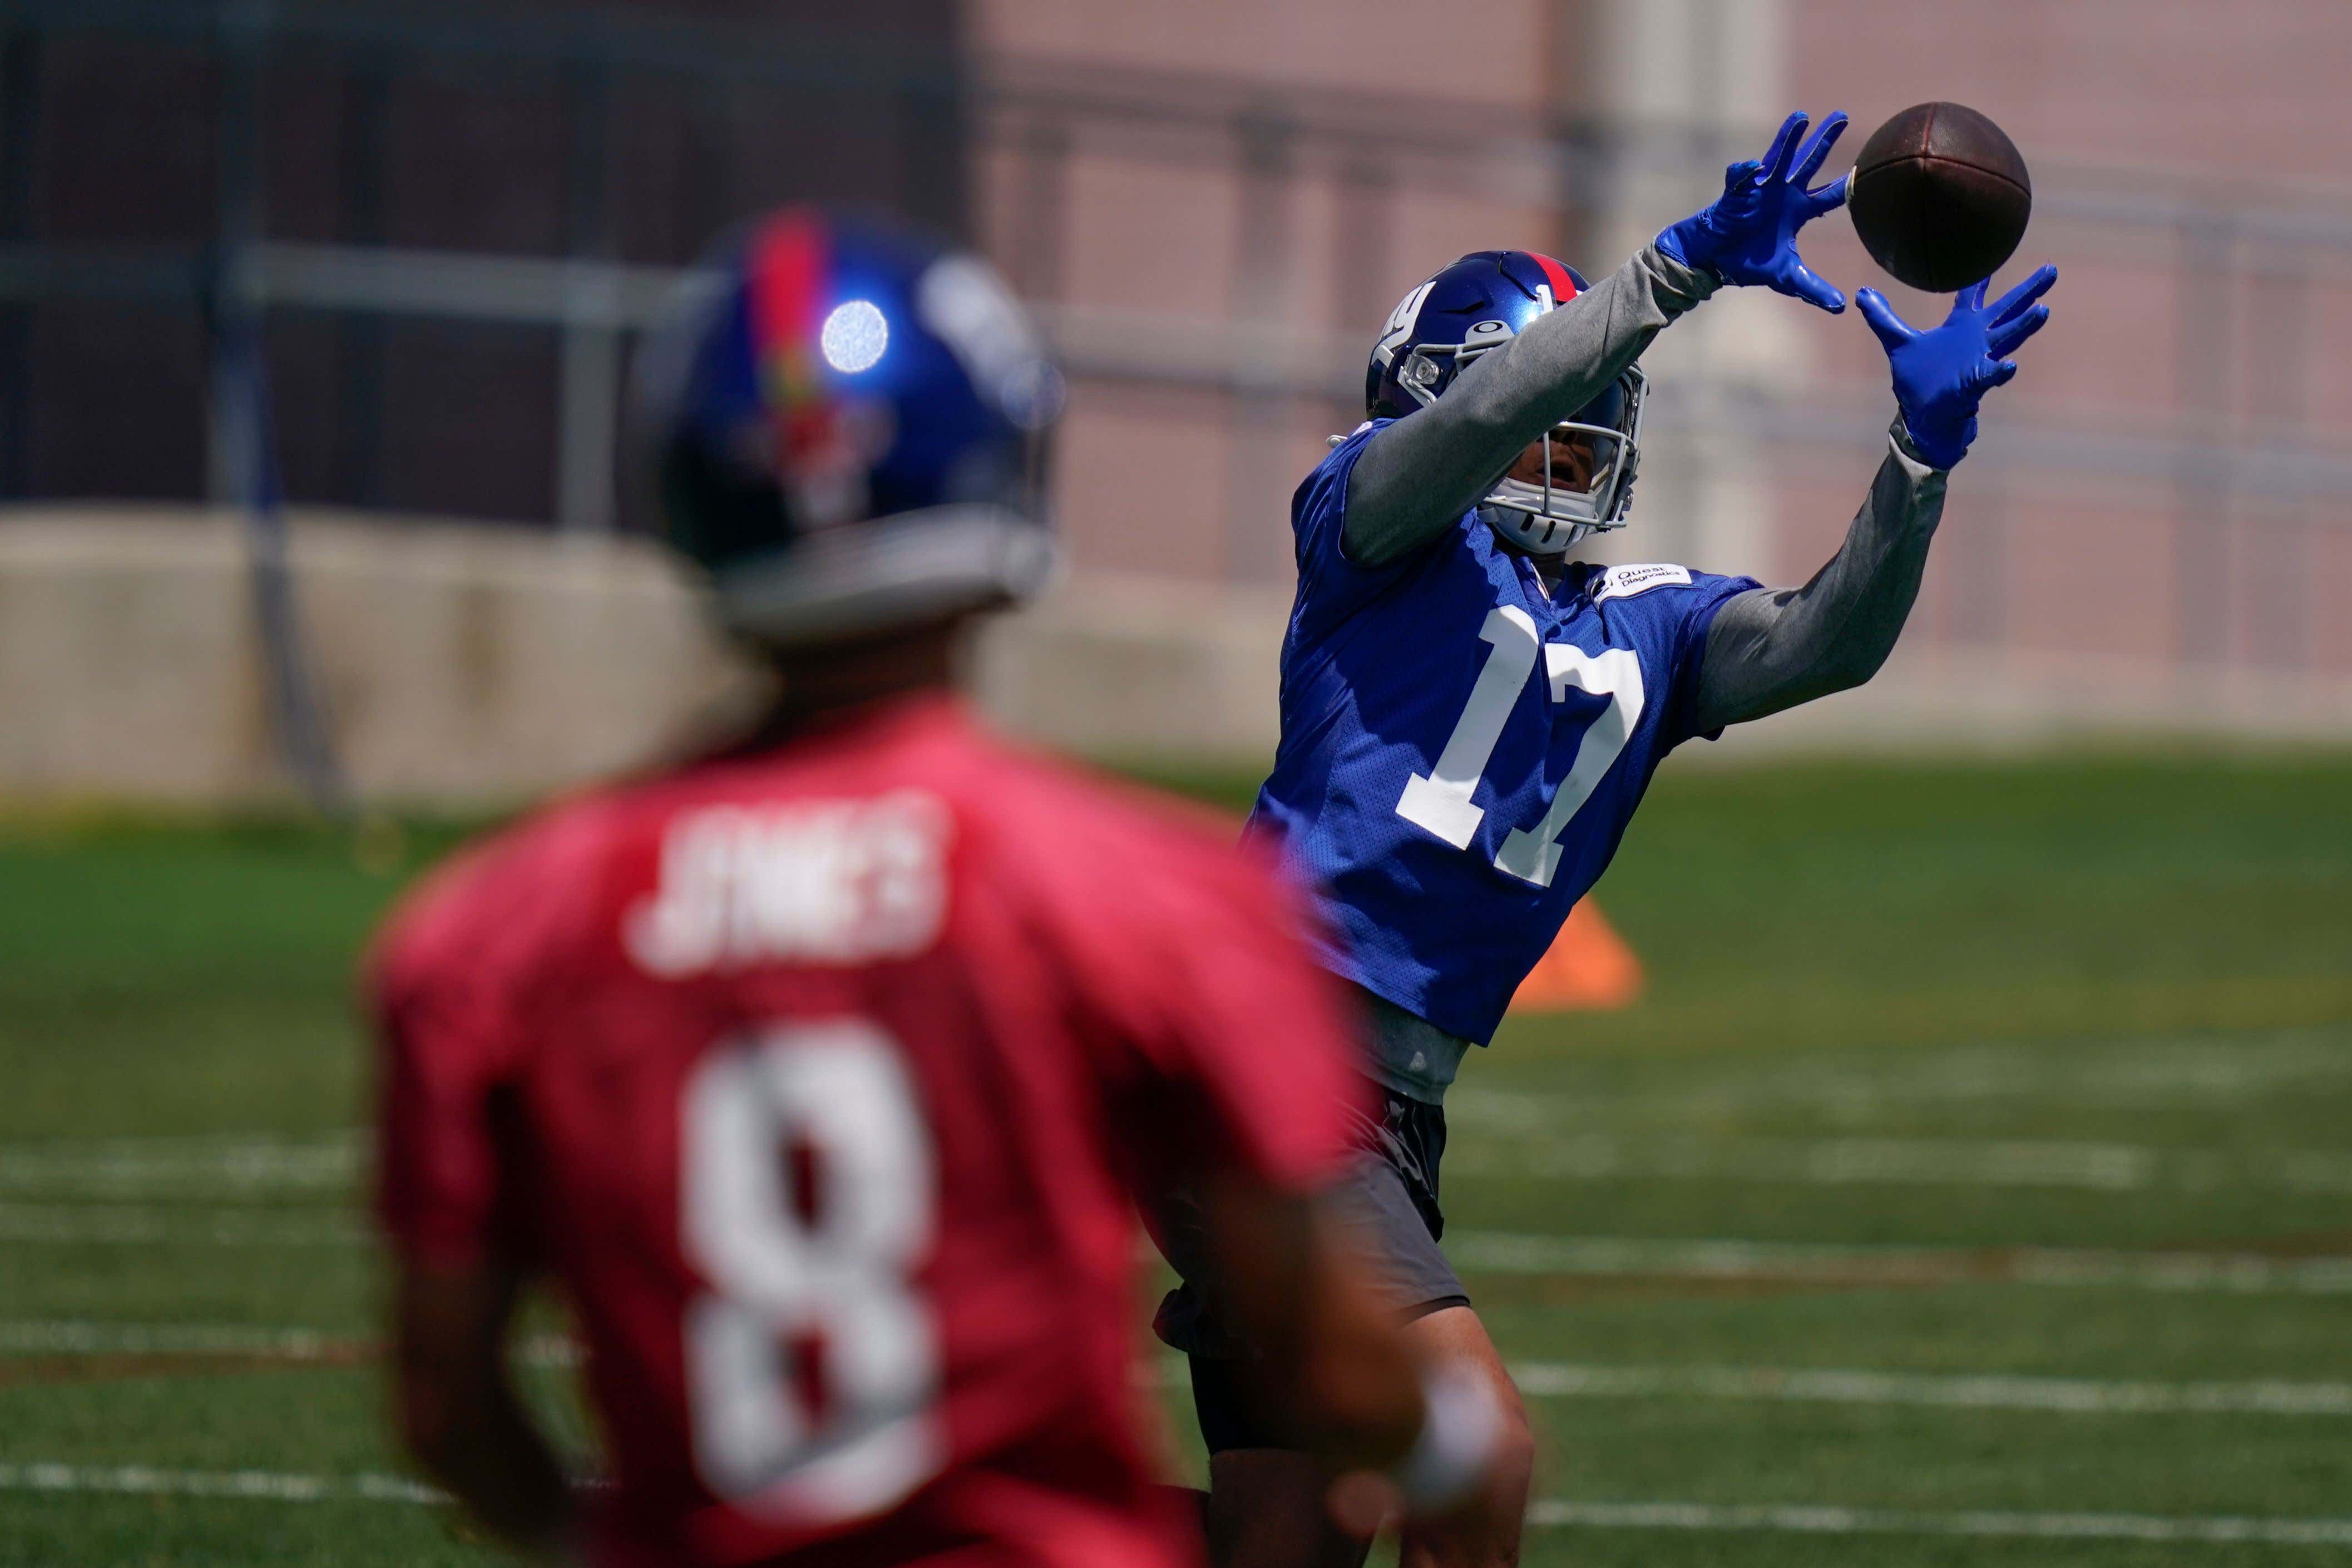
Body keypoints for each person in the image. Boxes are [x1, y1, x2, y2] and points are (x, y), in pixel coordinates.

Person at [369, 209, 1514, 1568]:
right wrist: (1462, 1457)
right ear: (1000, 471)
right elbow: (1341, 1370)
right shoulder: (1152, 900)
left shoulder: (488, 932)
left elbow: (447, 1400)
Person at [1164, 110, 2060, 1567]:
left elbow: (1825, 644)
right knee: (1478, 1460)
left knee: (1291, 1544)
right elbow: (1459, 428)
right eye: (1544, 401)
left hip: (1384, 1110)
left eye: (1596, 411)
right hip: (1259, 1057)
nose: (1572, 435)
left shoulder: (1642, 620)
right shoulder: (1375, 524)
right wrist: (1666, 277)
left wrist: (1916, 459)